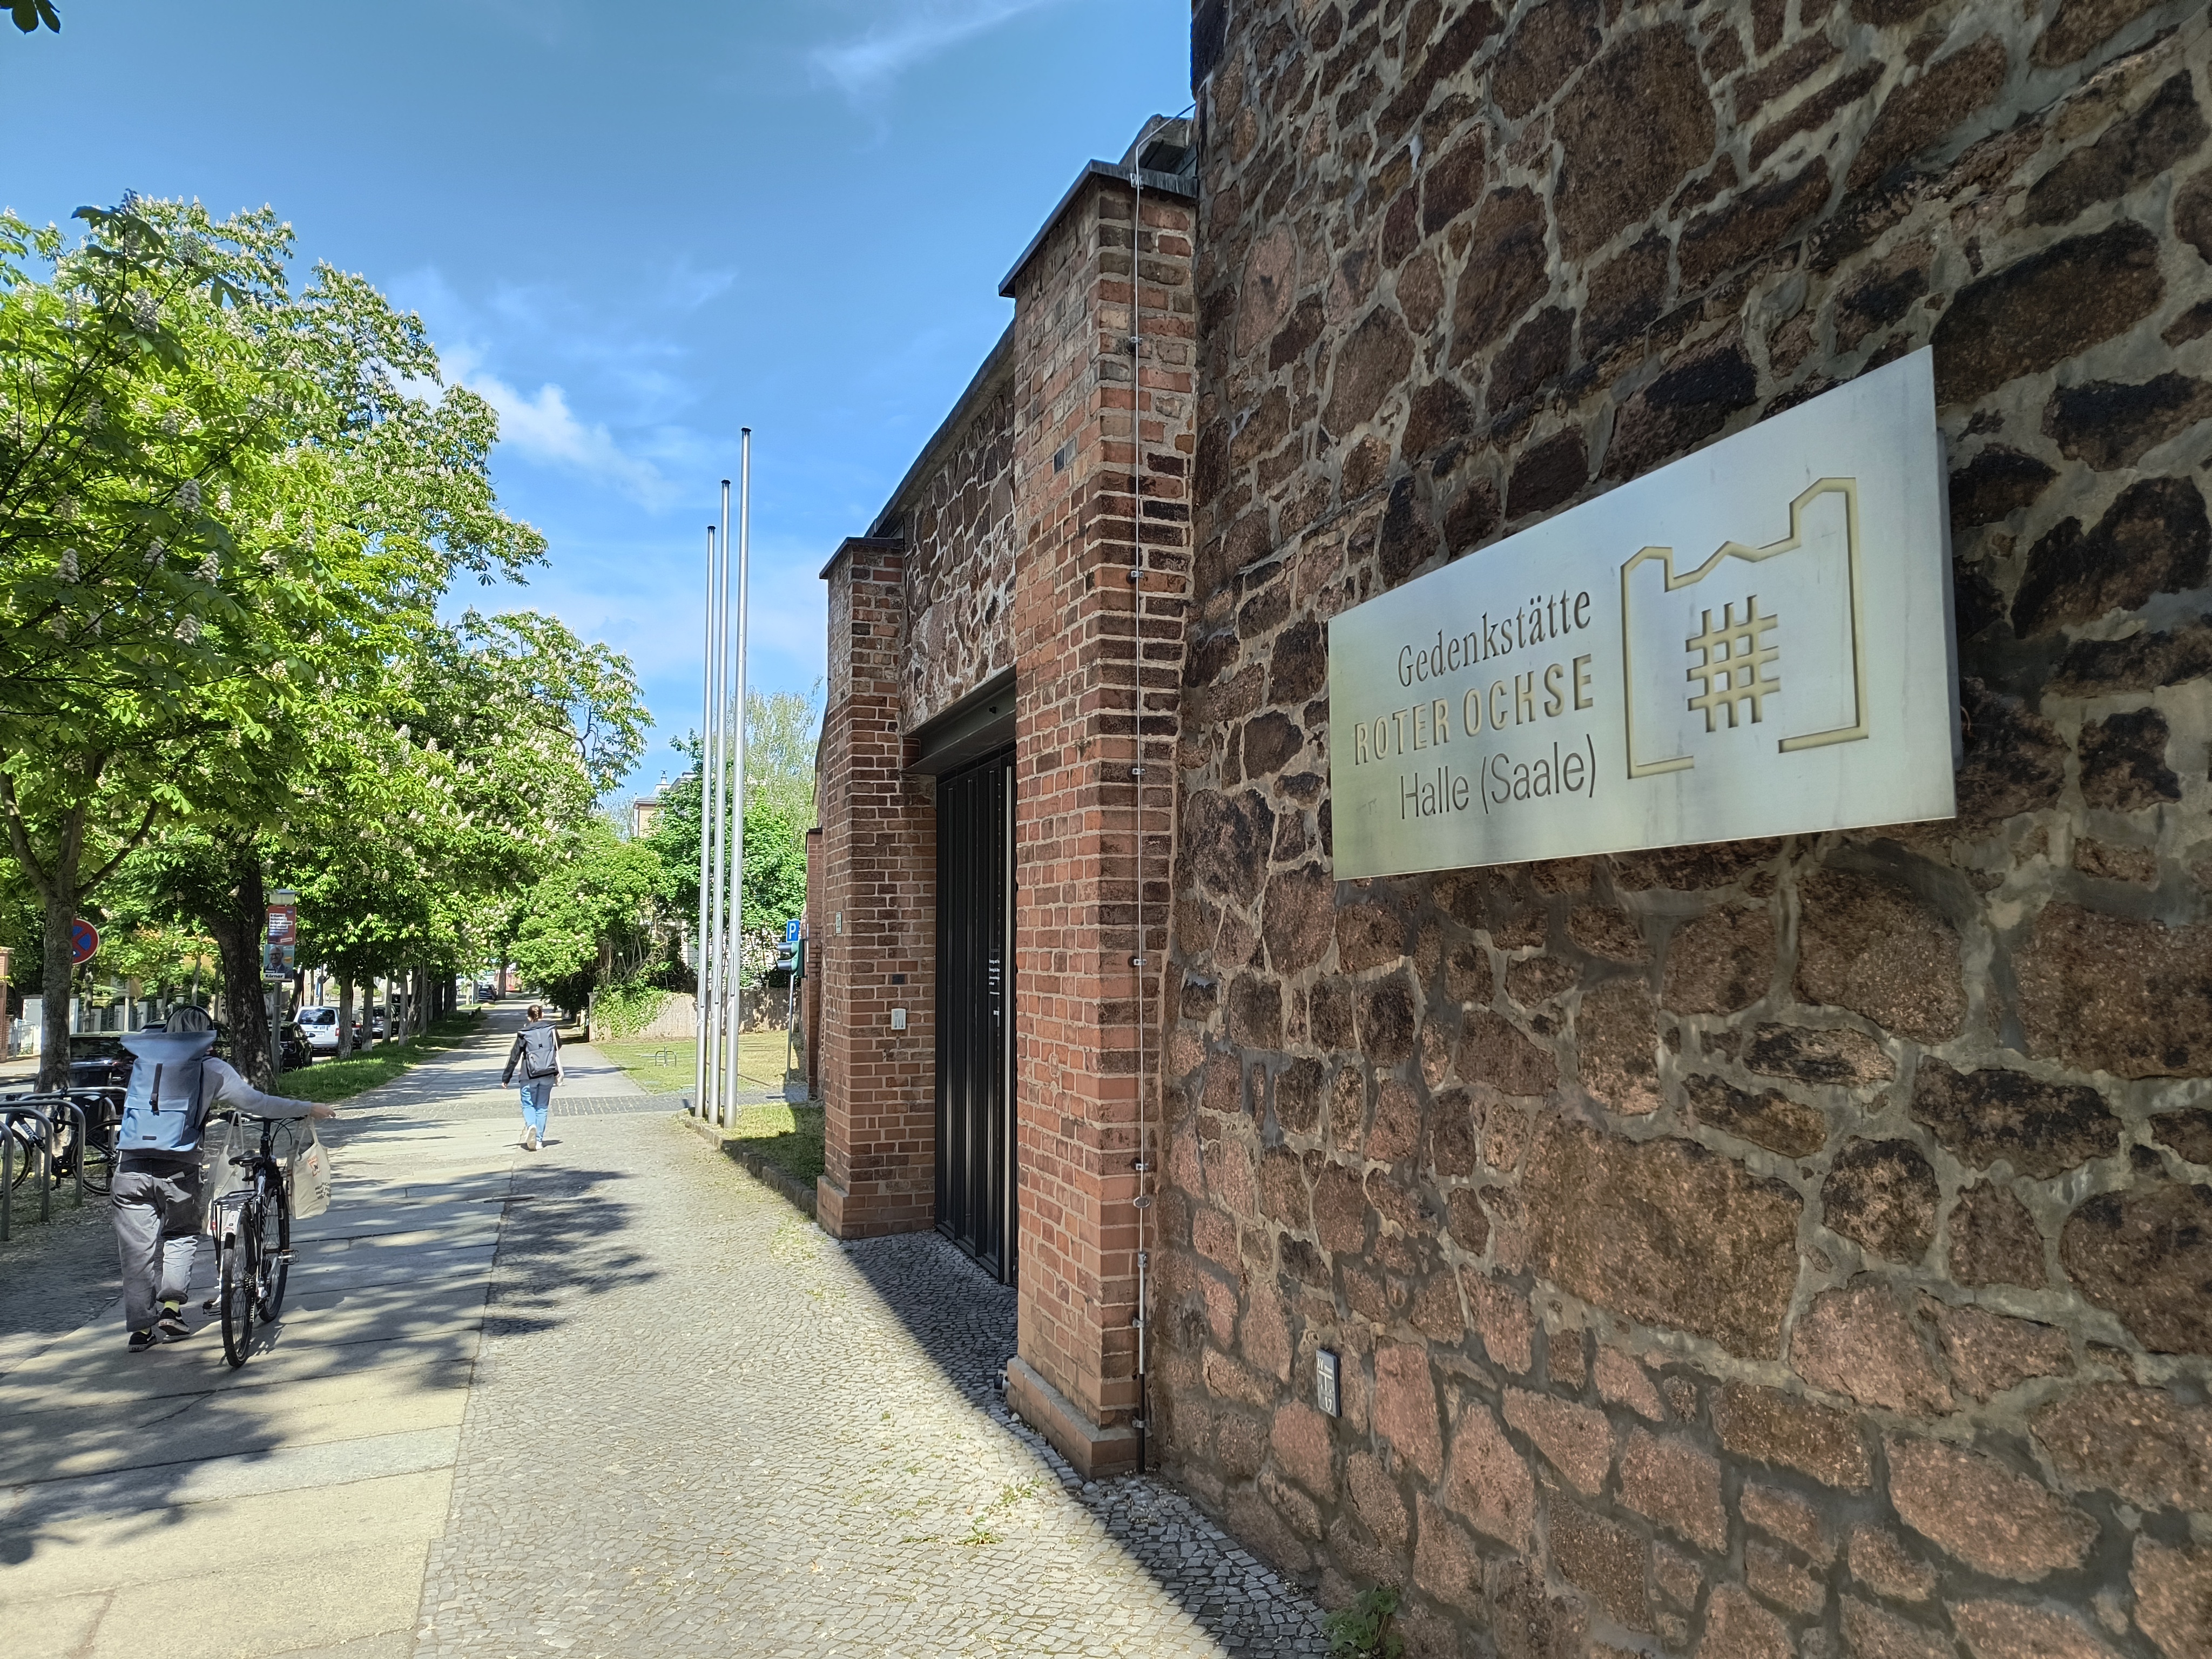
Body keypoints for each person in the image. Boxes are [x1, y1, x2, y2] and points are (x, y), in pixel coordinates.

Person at [111, 1006, 336, 1353]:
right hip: (179, 1168)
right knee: (180, 1235)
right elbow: (258, 1103)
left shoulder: (143, 1064)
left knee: (136, 1252)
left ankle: (141, 1330)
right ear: (205, 1036)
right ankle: (172, 1309)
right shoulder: (211, 1068)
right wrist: (307, 1107)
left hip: (130, 1168)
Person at [501, 1004, 564, 1151]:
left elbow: (514, 1056)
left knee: (528, 1104)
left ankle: (532, 1125)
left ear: (529, 1017)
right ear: (542, 1015)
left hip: (528, 1075)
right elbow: (558, 1046)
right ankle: (539, 1141)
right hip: (548, 1073)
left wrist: (506, 1077)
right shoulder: (551, 1029)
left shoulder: (524, 1033)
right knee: (542, 1107)